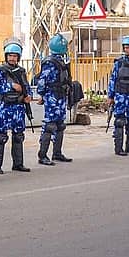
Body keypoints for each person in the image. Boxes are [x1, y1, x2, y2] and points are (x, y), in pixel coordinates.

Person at [0, 40, 32, 174]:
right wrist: (11, 86)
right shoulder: (0, 71)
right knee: (1, 137)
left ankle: (18, 164)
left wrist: (28, 96)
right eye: (10, 55)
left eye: (14, 56)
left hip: (18, 107)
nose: (12, 58)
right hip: (5, 107)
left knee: (18, 136)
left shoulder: (21, 71)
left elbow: (26, 86)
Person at [36, 34, 74, 165]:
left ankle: (57, 153)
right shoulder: (49, 62)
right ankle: (42, 155)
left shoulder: (62, 61)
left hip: (61, 96)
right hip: (52, 96)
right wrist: (42, 94)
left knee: (60, 125)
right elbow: (42, 80)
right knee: (49, 125)